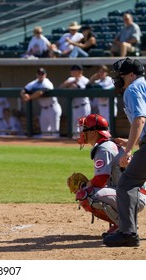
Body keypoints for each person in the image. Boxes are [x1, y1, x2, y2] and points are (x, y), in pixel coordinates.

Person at [73, 114, 146, 237]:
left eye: (84, 129)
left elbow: (101, 180)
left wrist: (84, 185)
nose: (81, 132)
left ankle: (124, 226)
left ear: (93, 133)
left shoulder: (104, 149)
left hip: (133, 196)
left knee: (86, 194)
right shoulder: (108, 145)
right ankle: (125, 223)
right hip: (134, 193)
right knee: (90, 190)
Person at [103, 58, 146, 247]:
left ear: (131, 74)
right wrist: (131, 142)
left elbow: (140, 119)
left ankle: (128, 233)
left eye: (120, 74)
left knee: (127, 183)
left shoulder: (133, 88)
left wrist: (127, 151)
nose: (117, 78)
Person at [20, 68, 62, 137]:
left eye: (42, 74)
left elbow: (40, 92)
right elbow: (24, 90)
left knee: (55, 132)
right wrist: (24, 96)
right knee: (44, 133)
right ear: (36, 75)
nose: (40, 75)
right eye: (39, 74)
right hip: (43, 109)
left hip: (53, 108)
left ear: (45, 75)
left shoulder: (47, 82)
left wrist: (29, 97)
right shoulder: (34, 82)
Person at [59, 64, 90, 137]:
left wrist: (76, 85)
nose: (73, 72)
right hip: (74, 106)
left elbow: (82, 90)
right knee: (74, 129)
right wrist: (70, 83)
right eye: (72, 70)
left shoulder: (85, 80)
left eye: (75, 70)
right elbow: (61, 87)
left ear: (80, 71)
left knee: (83, 128)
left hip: (83, 106)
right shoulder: (70, 79)